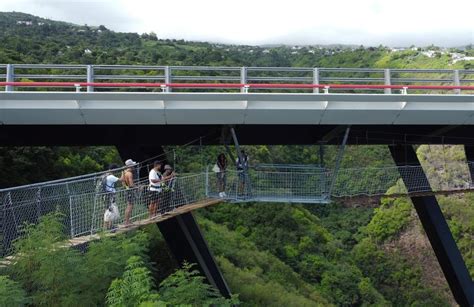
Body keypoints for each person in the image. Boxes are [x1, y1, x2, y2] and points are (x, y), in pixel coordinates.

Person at [103, 164, 123, 230]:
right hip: (110, 195)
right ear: (113, 169)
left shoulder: (105, 175)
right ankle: (109, 227)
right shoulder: (111, 176)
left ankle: (108, 227)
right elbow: (121, 179)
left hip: (105, 195)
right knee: (110, 211)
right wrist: (123, 172)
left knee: (108, 210)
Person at [122, 159, 137, 227]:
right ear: (130, 166)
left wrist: (126, 187)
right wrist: (138, 187)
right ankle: (126, 222)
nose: (134, 166)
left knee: (128, 206)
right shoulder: (129, 173)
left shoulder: (124, 173)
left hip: (126, 190)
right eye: (133, 165)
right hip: (130, 191)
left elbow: (123, 183)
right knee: (130, 206)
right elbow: (131, 184)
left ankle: (127, 221)